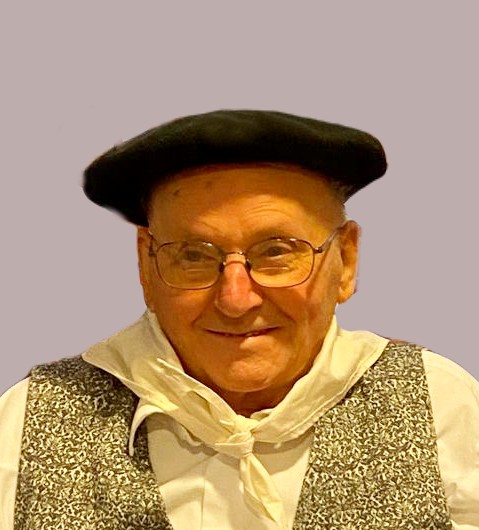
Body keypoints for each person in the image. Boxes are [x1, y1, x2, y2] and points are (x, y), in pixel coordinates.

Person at [1, 110, 478, 530]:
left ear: (346, 261)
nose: (235, 299)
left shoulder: (441, 405)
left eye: (277, 252)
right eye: (193, 255)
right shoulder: (27, 425)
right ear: (146, 264)